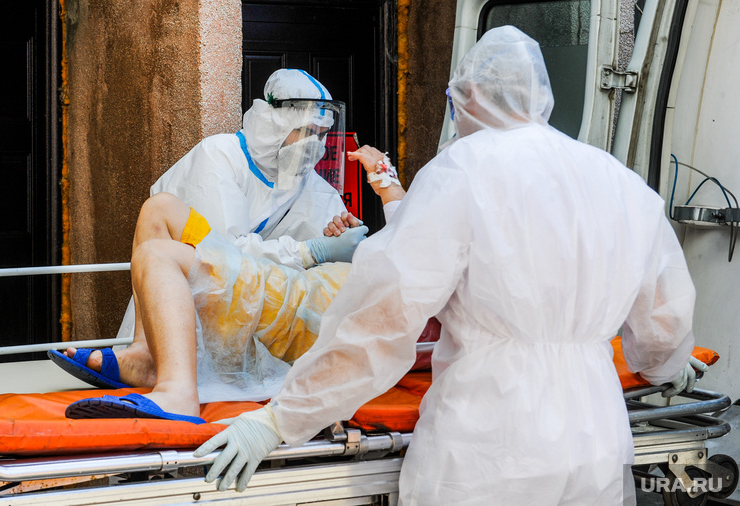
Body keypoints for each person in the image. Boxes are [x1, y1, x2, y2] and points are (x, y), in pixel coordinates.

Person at [191, 26, 708, 504]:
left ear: (472, 94)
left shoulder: (462, 171)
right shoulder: (620, 183)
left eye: (453, 99)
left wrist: (282, 420)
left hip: (488, 440)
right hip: (595, 437)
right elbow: (663, 323)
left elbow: (380, 321)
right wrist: (668, 365)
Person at [50, 68, 360, 388]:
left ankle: (149, 359)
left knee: (159, 210)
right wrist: (311, 250)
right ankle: (148, 354)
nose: (315, 145)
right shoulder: (220, 155)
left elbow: (326, 278)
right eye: (306, 131)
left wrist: (342, 236)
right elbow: (223, 256)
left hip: (266, 319)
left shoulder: (315, 186)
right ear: (273, 123)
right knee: (158, 210)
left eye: (322, 135)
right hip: (203, 300)